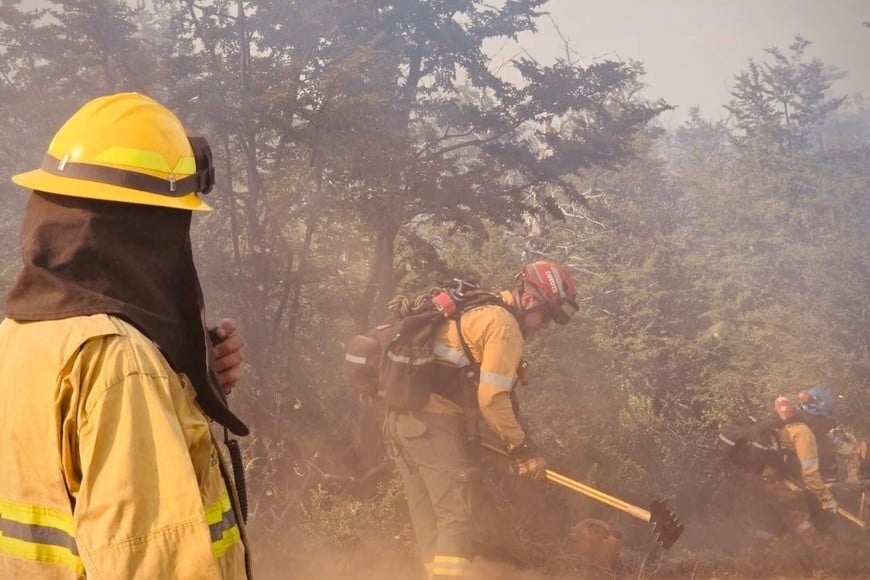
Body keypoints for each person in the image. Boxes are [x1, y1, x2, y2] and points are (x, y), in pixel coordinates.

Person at [0, 92, 250, 578]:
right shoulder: (120, 363)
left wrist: (187, 389)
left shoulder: (16, 338)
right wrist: (153, 380)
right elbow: (150, 560)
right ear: (149, 230)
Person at [384, 260, 578, 579]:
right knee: (457, 517)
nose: (544, 325)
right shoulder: (504, 326)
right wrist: (521, 448)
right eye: (546, 315)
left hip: (404, 424)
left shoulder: (482, 306)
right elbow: (492, 398)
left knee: (430, 518)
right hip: (433, 425)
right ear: (529, 299)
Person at [797, 386, 862, 486]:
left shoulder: (805, 412)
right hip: (827, 437)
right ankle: (852, 481)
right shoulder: (816, 411)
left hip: (820, 440)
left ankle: (844, 482)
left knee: (840, 459)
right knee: (851, 454)